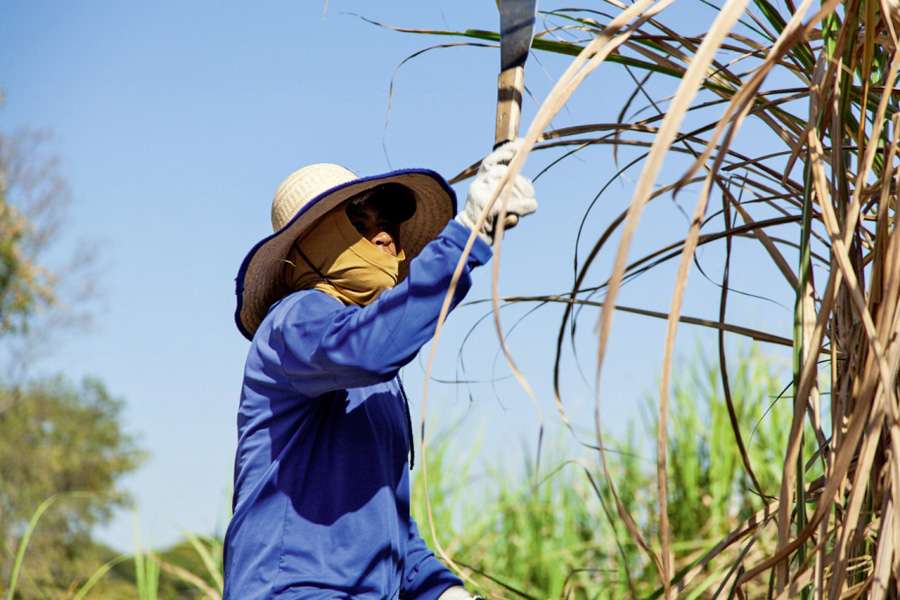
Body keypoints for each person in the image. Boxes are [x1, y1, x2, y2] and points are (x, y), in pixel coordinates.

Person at [224, 140, 537, 599]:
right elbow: (365, 347)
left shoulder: (378, 384)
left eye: (387, 220)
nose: (385, 234)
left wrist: (444, 592)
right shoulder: (297, 321)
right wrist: (468, 234)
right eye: (359, 220)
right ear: (313, 242)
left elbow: (386, 523)